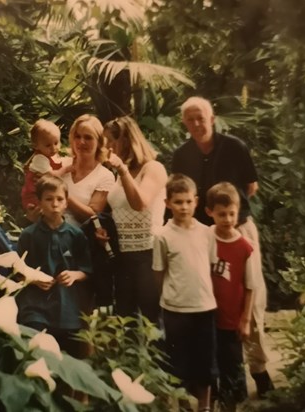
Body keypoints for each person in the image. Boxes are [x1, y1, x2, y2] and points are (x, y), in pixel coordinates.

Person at [172, 96, 274, 397]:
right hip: (203, 234)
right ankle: (223, 377)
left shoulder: (234, 147)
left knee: (251, 301)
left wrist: (230, 220)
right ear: (184, 123)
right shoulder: (182, 155)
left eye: (201, 117)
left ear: (212, 117)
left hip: (239, 229)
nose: (196, 123)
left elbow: (250, 188)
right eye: (190, 119)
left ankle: (259, 370)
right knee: (214, 301)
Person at [152, 174, 217, 412]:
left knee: (205, 361)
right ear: (168, 203)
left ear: (196, 201)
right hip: (175, 309)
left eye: (188, 201)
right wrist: (171, 296)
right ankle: (181, 405)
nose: (184, 207)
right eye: (178, 202)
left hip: (204, 306)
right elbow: (159, 273)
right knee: (177, 362)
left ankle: (205, 406)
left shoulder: (207, 233)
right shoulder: (162, 235)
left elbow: (209, 266)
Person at [16, 175, 92, 357]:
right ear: (40, 203)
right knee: (36, 354)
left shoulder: (76, 235)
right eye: (49, 199)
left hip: (67, 309)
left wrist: (74, 275)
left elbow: (87, 270)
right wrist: (33, 279)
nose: (55, 204)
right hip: (35, 307)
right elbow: (18, 271)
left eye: (60, 199)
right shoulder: (29, 235)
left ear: (67, 203)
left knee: (68, 358)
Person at [101, 116, 168, 323]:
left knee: (151, 320)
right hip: (124, 254)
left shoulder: (153, 168)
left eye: (112, 140)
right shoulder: (121, 173)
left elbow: (141, 203)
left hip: (148, 253)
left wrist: (121, 170)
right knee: (125, 320)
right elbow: (117, 211)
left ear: (128, 140)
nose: (108, 147)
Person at [206, 182, 255, 412]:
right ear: (210, 212)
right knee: (208, 366)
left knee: (231, 367)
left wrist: (245, 320)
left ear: (238, 211)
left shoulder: (245, 247)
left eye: (231, 214)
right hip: (206, 315)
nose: (227, 219)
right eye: (221, 214)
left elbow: (250, 286)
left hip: (231, 318)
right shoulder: (205, 238)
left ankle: (230, 408)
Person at [62, 114, 115, 227]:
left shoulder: (105, 176)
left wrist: (62, 194)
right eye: (77, 136)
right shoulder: (61, 165)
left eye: (88, 137)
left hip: (79, 239)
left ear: (100, 142)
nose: (81, 142)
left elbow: (92, 217)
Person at [21, 119, 72, 222]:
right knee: (43, 216)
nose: (53, 148)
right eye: (48, 145)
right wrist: (66, 169)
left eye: (56, 143)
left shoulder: (49, 155)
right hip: (33, 195)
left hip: (41, 194)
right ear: (36, 146)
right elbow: (53, 175)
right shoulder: (40, 159)